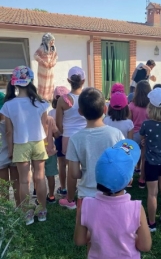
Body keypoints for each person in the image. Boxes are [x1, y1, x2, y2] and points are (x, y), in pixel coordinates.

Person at [74, 139, 152, 258]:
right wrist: (132, 237)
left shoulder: (86, 205)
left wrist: (97, 235)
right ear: (130, 181)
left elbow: (79, 241)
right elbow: (145, 246)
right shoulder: (136, 208)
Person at [1, 66, 49, 224]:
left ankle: (27, 213)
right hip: (38, 143)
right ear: (31, 81)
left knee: (23, 181)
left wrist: (10, 150)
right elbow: (45, 126)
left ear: (14, 83)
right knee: (40, 178)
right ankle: (42, 211)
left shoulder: (8, 105)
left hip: (20, 144)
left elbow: (9, 131)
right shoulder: (41, 103)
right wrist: (47, 143)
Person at [65, 87, 125, 210]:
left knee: (86, 228)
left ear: (80, 112)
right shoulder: (116, 134)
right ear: (105, 109)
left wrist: (88, 172)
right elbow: (124, 163)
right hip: (113, 193)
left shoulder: (75, 139)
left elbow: (74, 173)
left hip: (87, 196)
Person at [139, 88, 161, 231]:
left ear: (151, 107)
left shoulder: (147, 125)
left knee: (152, 193)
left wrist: (144, 142)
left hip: (151, 163)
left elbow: (143, 139)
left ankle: (151, 223)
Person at [56, 67, 87, 208]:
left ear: (69, 80)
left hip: (68, 137)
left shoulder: (62, 100)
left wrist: (65, 132)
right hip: (86, 136)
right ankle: (87, 195)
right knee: (88, 166)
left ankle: (70, 199)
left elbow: (59, 124)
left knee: (71, 170)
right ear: (83, 81)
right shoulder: (88, 97)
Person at [129, 80, 151, 187]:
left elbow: (129, 121)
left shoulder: (132, 105)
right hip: (147, 134)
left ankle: (129, 178)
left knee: (131, 156)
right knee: (144, 157)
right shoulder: (151, 106)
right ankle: (142, 179)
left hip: (135, 133)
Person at [0, 92, 20, 206]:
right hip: (13, 152)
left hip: (1, 157)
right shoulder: (11, 120)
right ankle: (19, 206)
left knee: (3, 187)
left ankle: (6, 210)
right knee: (16, 183)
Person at [34, 33, 58, 100]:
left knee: (50, 82)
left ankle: (49, 97)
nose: (53, 42)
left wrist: (53, 63)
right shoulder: (41, 48)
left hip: (50, 69)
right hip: (43, 70)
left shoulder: (53, 48)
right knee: (43, 84)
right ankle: (42, 98)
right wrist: (43, 62)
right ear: (47, 41)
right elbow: (35, 55)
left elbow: (56, 57)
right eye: (51, 40)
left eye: (53, 40)